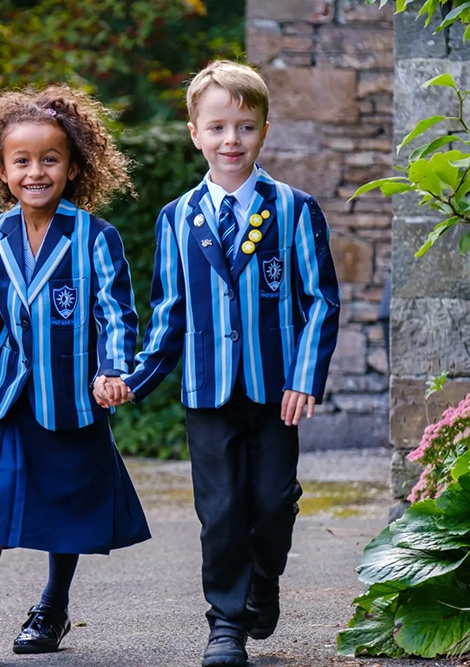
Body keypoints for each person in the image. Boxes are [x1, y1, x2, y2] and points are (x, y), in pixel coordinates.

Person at [104, 60, 341, 667]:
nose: (230, 140)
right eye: (217, 128)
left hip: (275, 391)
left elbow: (319, 300)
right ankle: (226, 625)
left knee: (272, 503)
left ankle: (265, 579)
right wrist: (135, 378)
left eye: (245, 127)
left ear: (264, 130)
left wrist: (305, 377)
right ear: (194, 133)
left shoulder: (293, 209)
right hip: (207, 391)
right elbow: (169, 312)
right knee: (220, 513)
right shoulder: (176, 218)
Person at [0, 84, 151, 662]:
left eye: (50, 159)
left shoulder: (95, 237)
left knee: (69, 511)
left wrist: (113, 369)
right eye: (22, 161)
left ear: (74, 166)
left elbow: (116, 312)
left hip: (73, 401)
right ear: (1, 169)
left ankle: (51, 609)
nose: (36, 172)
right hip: (9, 398)